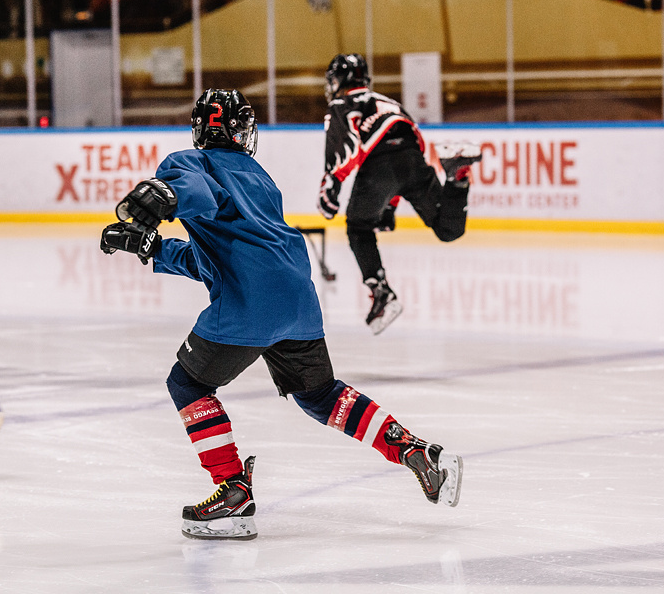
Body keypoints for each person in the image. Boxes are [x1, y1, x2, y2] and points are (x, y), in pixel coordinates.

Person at [99, 88, 463, 541]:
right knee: (321, 395)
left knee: (187, 383)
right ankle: (414, 451)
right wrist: (155, 249)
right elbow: (221, 255)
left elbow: (197, 193)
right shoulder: (259, 177)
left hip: (251, 303)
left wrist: (166, 195)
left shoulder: (189, 163)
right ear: (240, 130)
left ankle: (232, 491)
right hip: (298, 299)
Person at [317, 53, 483, 335]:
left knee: (358, 226)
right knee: (447, 229)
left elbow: (345, 147)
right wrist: (390, 204)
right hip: (413, 159)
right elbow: (415, 139)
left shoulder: (342, 105)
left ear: (341, 80)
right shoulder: (389, 102)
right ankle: (456, 179)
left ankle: (381, 293)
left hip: (379, 163)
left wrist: (330, 186)